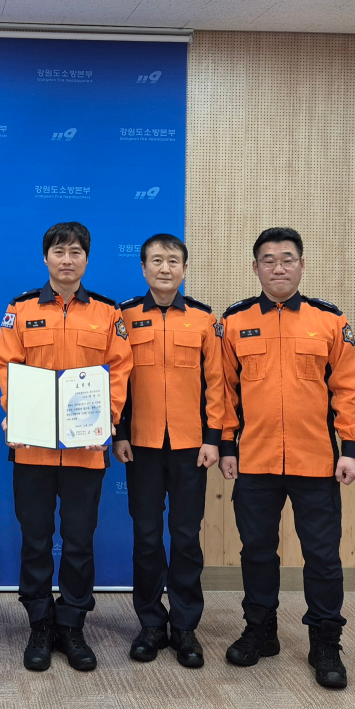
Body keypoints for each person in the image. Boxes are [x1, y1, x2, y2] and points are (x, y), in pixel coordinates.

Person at [219, 227, 355, 689]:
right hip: (255, 461)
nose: (278, 267)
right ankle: (260, 631)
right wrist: (227, 446)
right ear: (255, 267)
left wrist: (351, 449)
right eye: (268, 260)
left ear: (302, 265)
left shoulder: (330, 320)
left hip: (316, 461)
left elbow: (347, 389)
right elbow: (224, 391)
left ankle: (325, 641)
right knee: (257, 551)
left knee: (322, 556)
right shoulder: (235, 321)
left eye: (287, 259)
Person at [0, 222, 131, 673]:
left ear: (86, 259)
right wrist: (17, 412)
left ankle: (71, 625)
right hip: (32, 449)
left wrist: (107, 419)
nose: (67, 260)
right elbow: (7, 365)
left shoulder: (107, 313)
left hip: (85, 450)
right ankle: (39, 623)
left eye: (75, 252)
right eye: (58, 251)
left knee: (78, 540)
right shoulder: (20, 309)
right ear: (46, 258)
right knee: (35, 540)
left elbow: (119, 370)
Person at [114, 233, 224, 668]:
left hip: (189, 447)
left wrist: (213, 439)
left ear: (184, 269)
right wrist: (119, 434)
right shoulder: (123, 316)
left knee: (185, 537)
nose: (165, 268)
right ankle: (150, 624)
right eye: (156, 261)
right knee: (146, 537)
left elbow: (217, 384)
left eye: (173, 261)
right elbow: (117, 380)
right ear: (143, 268)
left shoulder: (203, 319)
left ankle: (185, 626)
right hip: (140, 445)